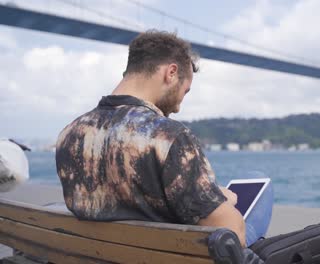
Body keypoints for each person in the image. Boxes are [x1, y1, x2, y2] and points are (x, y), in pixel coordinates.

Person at [56, 30, 273, 247]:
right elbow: (233, 235)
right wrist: (223, 202)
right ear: (171, 73)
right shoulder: (169, 137)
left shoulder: (68, 134)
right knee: (258, 184)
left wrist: (210, 198)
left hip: (94, 254)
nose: (178, 107)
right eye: (185, 91)